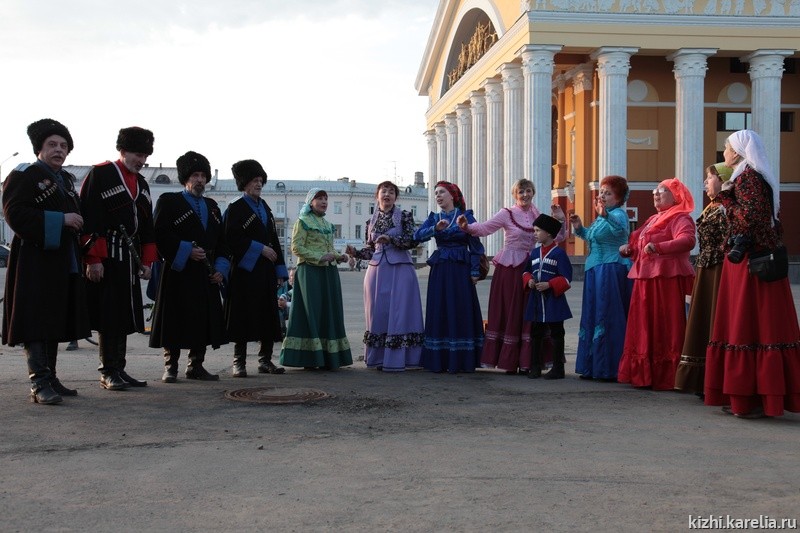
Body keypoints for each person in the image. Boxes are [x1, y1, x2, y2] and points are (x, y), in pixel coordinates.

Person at [704, 129, 800, 418]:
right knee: (762, 325)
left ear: (737, 152)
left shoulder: (747, 178)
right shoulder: (755, 177)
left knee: (746, 324)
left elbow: (751, 217)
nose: (724, 152)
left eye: (726, 147)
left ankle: (749, 399)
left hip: (750, 263)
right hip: (758, 259)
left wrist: (726, 199)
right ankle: (758, 396)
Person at [2, 118, 90, 404]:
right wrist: (61, 220)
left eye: (64, 146)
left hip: (62, 260)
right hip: (35, 261)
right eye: (52, 144)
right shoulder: (24, 175)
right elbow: (14, 214)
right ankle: (38, 383)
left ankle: (50, 377)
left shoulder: (65, 180)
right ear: (39, 148)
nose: (59, 150)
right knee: (36, 321)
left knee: (54, 318)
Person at [457, 179, 566, 375]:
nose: (525, 195)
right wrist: (467, 227)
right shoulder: (506, 213)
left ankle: (528, 362)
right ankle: (510, 362)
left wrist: (560, 220)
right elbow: (484, 229)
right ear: (515, 194)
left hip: (531, 269)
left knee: (530, 315)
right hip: (509, 270)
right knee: (510, 312)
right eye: (521, 191)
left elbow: (557, 238)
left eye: (528, 191)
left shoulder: (538, 215)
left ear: (533, 193)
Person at [80, 127, 158, 390]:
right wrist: (93, 259)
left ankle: (120, 369)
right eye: (138, 154)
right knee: (109, 314)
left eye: (145, 156)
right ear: (123, 151)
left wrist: (147, 262)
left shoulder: (142, 184)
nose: (142, 160)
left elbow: (147, 227)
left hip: (130, 258)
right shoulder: (100, 174)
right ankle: (107, 370)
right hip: (108, 254)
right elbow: (89, 216)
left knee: (124, 314)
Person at [149, 151, 230, 382]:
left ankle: (196, 365)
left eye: (203, 176)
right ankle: (171, 366)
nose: (200, 180)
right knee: (174, 319)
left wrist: (220, 269)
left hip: (206, 272)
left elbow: (222, 242)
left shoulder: (212, 206)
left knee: (202, 320)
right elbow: (160, 234)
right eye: (195, 175)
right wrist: (186, 250)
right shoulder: (169, 201)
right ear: (185, 178)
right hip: (178, 272)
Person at [618, 178, 695, 390]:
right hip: (646, 280)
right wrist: (629, 249)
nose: (655, 194)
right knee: (644, 326)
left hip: (667, 281)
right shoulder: (654, 218)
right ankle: (645, 374)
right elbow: (641, 245)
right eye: (654, 191)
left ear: (676, 196)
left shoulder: (680, 217)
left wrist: (659, 247)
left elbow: (688, 240)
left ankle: (669, 376)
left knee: (667, 326)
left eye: (662, 191)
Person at [346, 181, 425, 371]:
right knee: (378, 313)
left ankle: (402, 359)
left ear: (396, 197)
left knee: (400, 312)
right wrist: (355, 253)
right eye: (384, 191)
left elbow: (412, 241)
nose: (387, 194)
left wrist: (391, 239)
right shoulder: (370, 222)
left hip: (401, 269)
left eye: (391, 192)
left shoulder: (405, 216)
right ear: (377, 196)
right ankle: (379, 358)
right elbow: (371, 250)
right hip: (376, 272)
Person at [223, 159, 287, 377]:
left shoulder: (265, 208)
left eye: (260, 180)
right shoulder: (235, 208)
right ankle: (238, 362)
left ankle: (265, 360)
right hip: (244, 271)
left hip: (266, 271)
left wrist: (280, 270)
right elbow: (231, 238)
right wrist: (259, 249)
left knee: (268, 315)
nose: (258, 184)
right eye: (254, 180)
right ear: (244, 183)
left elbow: (274, 240)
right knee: (242, 316)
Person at [413, 181, 484, 373]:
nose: (438, 196)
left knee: (460, 308)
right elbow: (416, 236)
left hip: (461, 270)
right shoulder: (434, 218)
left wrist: (475, 271)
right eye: (436, 193)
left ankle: (462, 359)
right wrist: (435, 229)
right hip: (441, 269)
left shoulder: (466, 216)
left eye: (442, 192)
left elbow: (475, 246)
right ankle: (440, 359)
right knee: (440, 308)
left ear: (452, 195)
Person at [279, 188, 353, 370]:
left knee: (328, 310)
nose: (324, 201)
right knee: (312, 311)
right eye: (319, 198)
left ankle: (328, 357)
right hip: (310, 271)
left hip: (329, 273)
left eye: (326, 198)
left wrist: (340, 257)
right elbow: (296, 248)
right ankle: (310, 358)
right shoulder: (302, 222)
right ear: (310, 202)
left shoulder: (328, 224)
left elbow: (329, 249)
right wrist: (319, 257)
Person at [674, 164, 731, 395]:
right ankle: (700, 380)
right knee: (702, 319)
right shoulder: (711, 207)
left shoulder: (726, 208)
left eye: (710, 178)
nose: (706, 182)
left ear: (723, 180)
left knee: (714, 317)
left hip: (719, 269)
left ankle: (714, 379)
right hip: (706, 269)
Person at [569, 175, 632, 381]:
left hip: (610, 269)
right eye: (602, 192)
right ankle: (592, 366)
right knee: (593, 314)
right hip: (595, 269)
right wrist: (579, 227)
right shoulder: (601, 217)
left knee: (606, 314)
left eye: (608, 193)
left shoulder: (619, 215)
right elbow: (591, 237)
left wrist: (605, 215)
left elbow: (621, 230)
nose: (603, 195)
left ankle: (608, 368)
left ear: (618, 198)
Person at [522, 214, 573, 379]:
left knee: (557, 333)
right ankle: (535, 367)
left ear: (549, 233)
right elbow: (526, 271)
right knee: (535, 334)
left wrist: (550, 284)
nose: (535, 234)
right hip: (537, 301)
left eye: (538, 231)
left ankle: (558, 368)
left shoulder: (559, 254)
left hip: (554, 301)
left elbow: (566, 278)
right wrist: (529, 280)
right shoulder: (534, 253)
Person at [277, 267, 294, 336]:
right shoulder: (294, 289)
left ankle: (283, 330)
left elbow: (300, 305)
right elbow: (287, 294)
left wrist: (286, 303)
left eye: (292, 276)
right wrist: (281, 298)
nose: (290, 278)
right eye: (290, 276)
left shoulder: (301, 289)